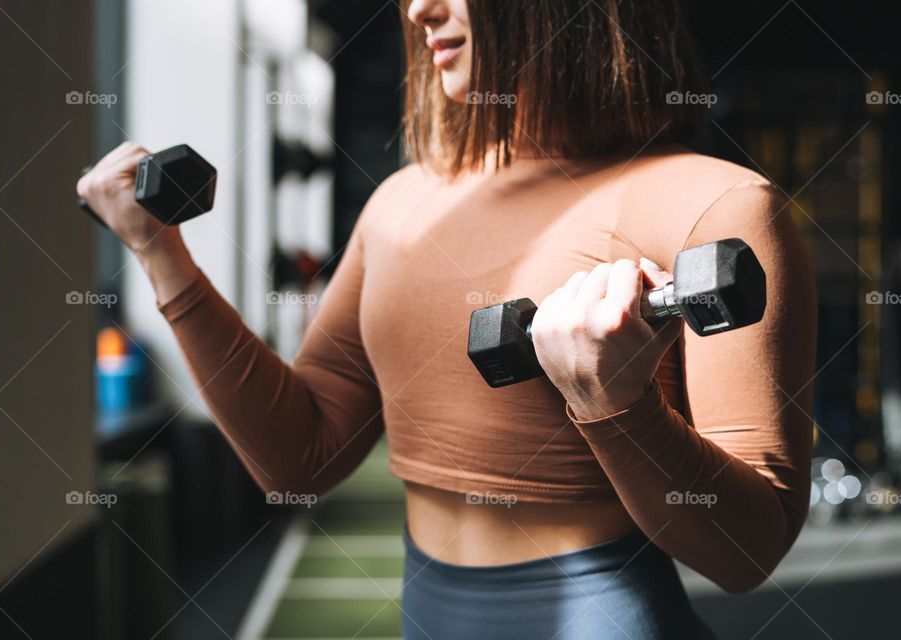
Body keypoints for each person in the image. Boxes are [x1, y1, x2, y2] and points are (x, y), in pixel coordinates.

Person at [77, 0, 816, 637]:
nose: (416, 10)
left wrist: (617, 407)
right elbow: (301, 456)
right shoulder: (401, 203)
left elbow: (747, 553)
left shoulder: (716, 205)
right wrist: (162, 255)